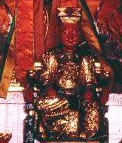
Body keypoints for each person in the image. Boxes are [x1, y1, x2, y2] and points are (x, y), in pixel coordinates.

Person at [26, 7, 108, 141]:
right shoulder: (51, 56)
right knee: (44, 103)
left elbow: (89, 82)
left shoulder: (85, 57)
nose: (70, 36)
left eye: (74, 32)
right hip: (57, 99)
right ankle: (60, 132)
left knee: (92, 106)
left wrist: (88, 91)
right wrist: (49, 89)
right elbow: (46, 80)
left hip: (79, 97)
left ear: (80, 33)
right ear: (59, 32)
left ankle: (84, 135)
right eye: (66, 32)